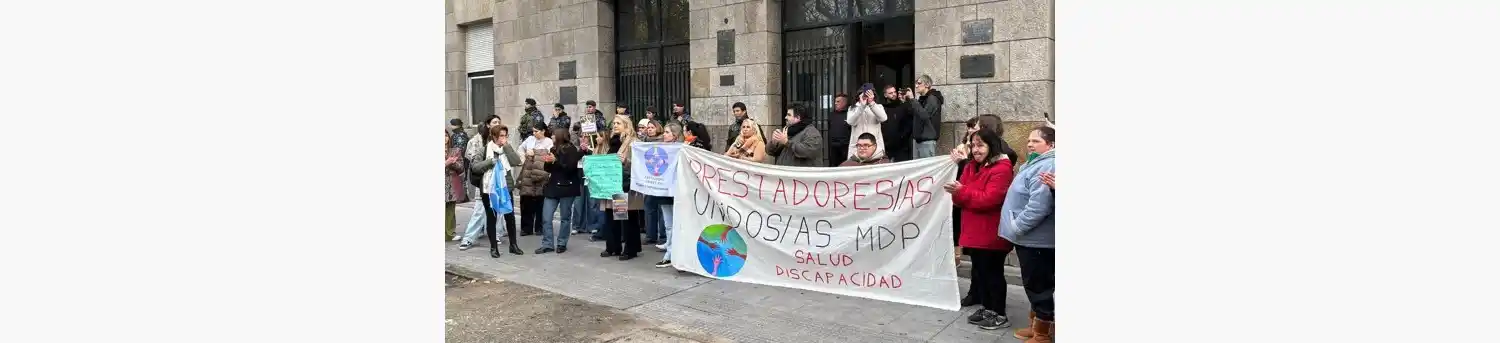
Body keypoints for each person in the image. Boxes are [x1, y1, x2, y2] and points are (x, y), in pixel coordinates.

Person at [946, 127, 1016, 331]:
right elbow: (960, 197)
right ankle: (987, 308)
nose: (975, 150)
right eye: (973, 146)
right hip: (973, 229)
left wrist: (962, 192)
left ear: (991, 146)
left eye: (980, 145)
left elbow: (989, 199)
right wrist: (959, 193)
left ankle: (999, 313)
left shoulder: (1002, 168)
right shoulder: (970, 167)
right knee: (981, 273)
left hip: (991, 232)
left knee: (993, 273)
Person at [1002, 127, 1055, 343]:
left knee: (1039, 286)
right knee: (1033, 283)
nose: (1030, 144)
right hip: (1031, 239)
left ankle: (1043, 333)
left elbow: (1038, 207)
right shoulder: (1036, 162)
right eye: (1029, 140)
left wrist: (1017, 227)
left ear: (1050, 144)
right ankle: (1037, 326)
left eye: (1036, 141)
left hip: (1036, 239)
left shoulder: (1048, 164)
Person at [470, 124, 525, 258]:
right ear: (494, 136)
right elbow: (475, 167)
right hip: (489, 189)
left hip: (506, 188)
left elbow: (516, 161)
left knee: (510, 217)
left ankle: (513, 245)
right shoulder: (484, 150)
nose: (504, 138)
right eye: (501, 135)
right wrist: (490, 162)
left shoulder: (507, 148)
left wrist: (506, 146)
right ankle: (494, 247)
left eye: (505, 135)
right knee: (492, 217)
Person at [600, 114, 644, 260]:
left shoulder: (633, 142)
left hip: (625, 184)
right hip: (610, 185)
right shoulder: (612, 142)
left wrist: (626, 161)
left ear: (627, 125)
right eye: (614, 123)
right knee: (611, 216)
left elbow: (640, 164)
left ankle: (631, 249)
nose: (615, 125)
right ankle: (613, 246)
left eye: (618, 123)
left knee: (626, 218)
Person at [536, 127, 584, 254]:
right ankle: (547, 243)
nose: (551, 137)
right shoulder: (553, 149)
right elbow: (548, 169)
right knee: (546, 217)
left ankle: (562, 243)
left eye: (553, 135)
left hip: (567, 187)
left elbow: (569, 169)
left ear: (559, 136)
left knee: (565, 217)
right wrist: (548, 161)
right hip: (553, 187)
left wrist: (556, 161)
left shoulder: (571, 149)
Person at [459, 115, 502, 249]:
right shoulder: (477, 140)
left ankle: (495, 234)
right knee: (479, 209)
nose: (497, 124)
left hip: (498, 179)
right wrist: (489, 162)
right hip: (483, 179)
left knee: (497, 209)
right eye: (494, 122)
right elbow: (473, 161)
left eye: (499, 122)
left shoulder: (501, 138)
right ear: (488, 124)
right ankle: (469, 238)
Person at [654, 122, 684, 268]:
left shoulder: (682, 150)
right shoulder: (659, 149)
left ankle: (674, 254)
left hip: (676, 191)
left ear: (675, 135)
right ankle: (670, 253)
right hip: (664, 191)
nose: (664, 135)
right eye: (664, 132)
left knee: (677, 224)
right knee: (668, 224)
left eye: (667, 132)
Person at [516, 122, 553, 237]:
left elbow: (548, 157)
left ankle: (539, 227)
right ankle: (526, 228)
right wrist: (524, 157)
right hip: (527, 174)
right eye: (533, 131)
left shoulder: (549, 142)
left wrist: (535, 154)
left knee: (540, 202)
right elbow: (520, 149)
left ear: (543, 131)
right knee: (526, 202)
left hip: (541, 175)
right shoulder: (530, 139)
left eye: (536, 131)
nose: (534, 133)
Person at [846, 83, 887, 160]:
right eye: (865, 95)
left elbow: (883, 118)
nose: (867, 97)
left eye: (869, 95)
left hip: (874, 147)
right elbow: (850, 122)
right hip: (857, 147)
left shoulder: (878, 107)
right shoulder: (853, 108)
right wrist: (861, 106)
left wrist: (872, 103)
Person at [911, 75, 944, 159]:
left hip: (927, 141)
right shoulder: (923, 99)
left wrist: (912, 99)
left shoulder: (932, 98)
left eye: (919, 83)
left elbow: (924, 115)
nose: (916, 86)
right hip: (920, 140)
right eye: (916, 84)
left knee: (927, 170)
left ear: (927, 85)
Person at [445, 129, 470, 240]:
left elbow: (461, 168)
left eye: (446, 135)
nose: (444, 138)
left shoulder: (454, 151)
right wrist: (446, 163)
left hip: (451, 184)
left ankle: (450, 233)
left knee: (450, 209)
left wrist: (453, 163)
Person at [881, 85, 914, 162]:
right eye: (890, 93)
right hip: (887, 146)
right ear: (885, 95)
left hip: (902, 145)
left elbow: (909, 122)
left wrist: (903, 136)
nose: (894, 94)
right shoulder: (882, 108)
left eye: (894, 92)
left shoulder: (903, 106)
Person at [825, 93, 852, 167]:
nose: (835, 103)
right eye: (835, 101)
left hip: (846, 146)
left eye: (838, 101)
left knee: (846, 166)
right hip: (833, 146)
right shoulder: (832, 114)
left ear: (845, 102)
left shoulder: (850, 114)